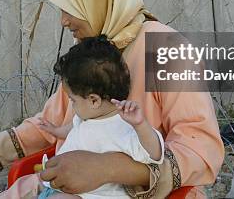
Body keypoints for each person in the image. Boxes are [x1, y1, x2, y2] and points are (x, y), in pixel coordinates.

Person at [0, 0, 224, 198]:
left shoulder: (168, 48)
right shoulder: (90, 53)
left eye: (71, 7)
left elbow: (200, 147)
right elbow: (49, 124)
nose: (64, 21)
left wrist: (110, 167)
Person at [36, 35, 164, 199]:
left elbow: (154, 154)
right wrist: (56, 131)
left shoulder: (123, 127)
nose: (72, 105)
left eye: (73, 100)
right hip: (62, 189)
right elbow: (73, 129)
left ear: (94, 100)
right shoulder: (86, 117)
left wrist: (141, 125)